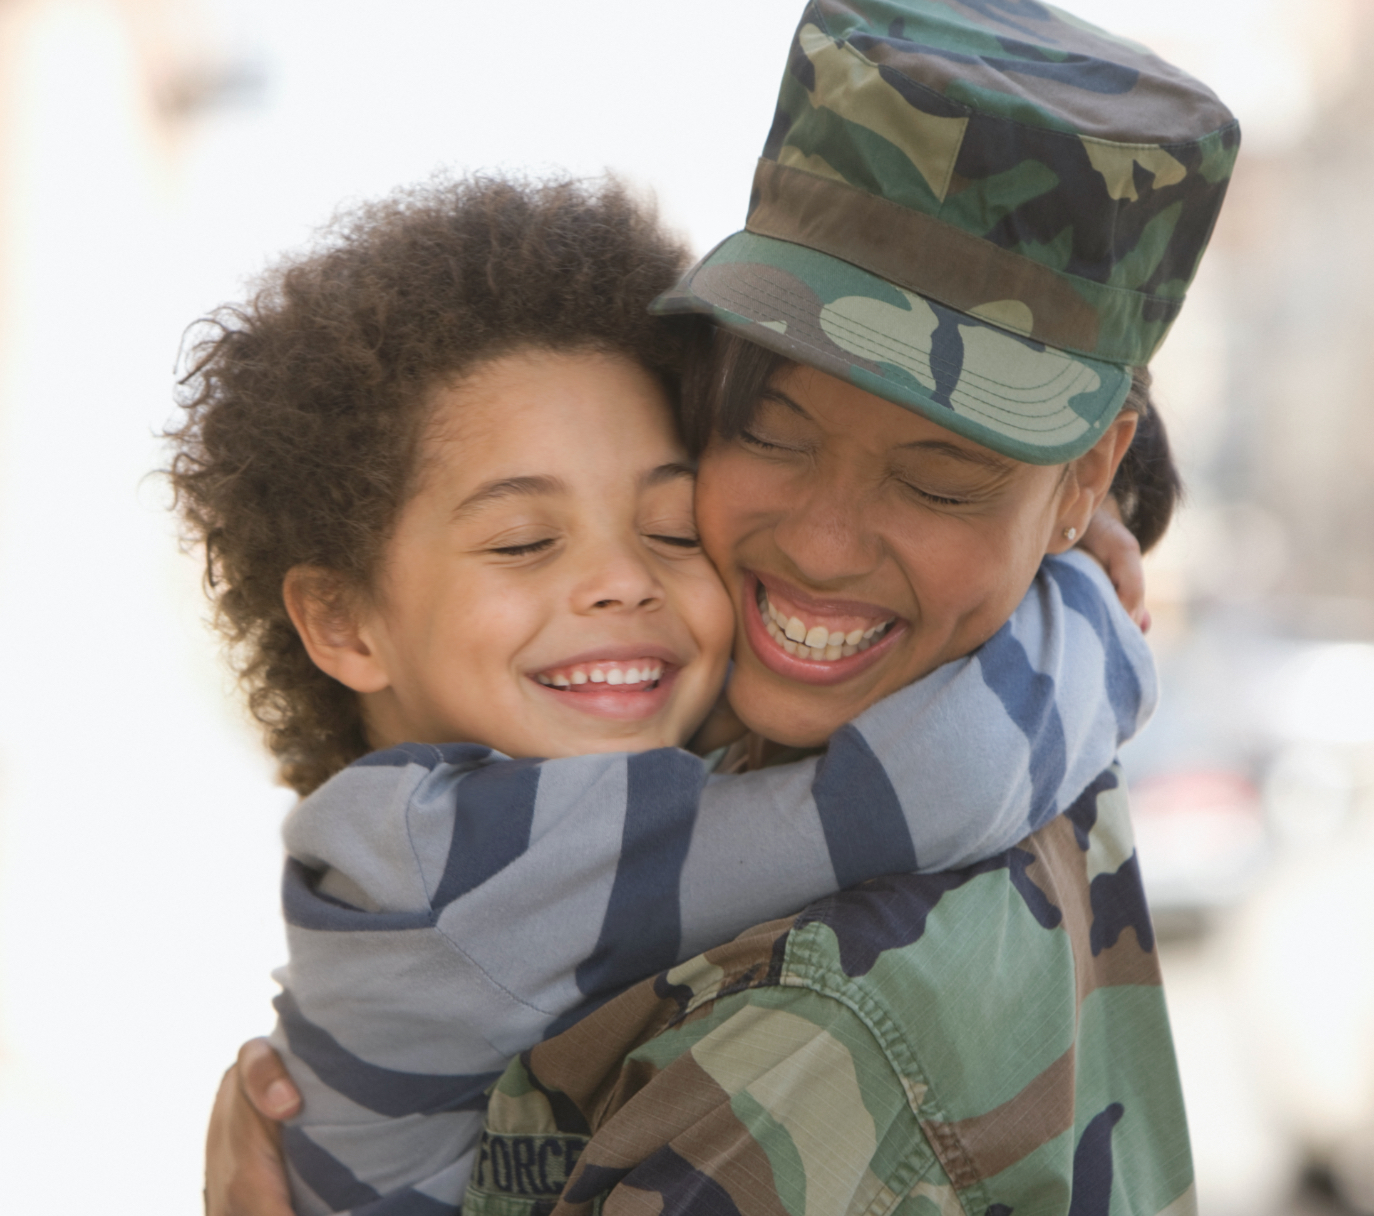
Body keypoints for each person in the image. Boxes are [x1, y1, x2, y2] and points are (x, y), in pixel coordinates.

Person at [206, 0, 1240, 1210]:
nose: (818, 539)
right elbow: (934, 781)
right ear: (342, 620)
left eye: (944, 478)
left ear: (1088, 474)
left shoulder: (808, 1007)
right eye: (765, 427)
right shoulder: (484, 856)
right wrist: (1089, 613)